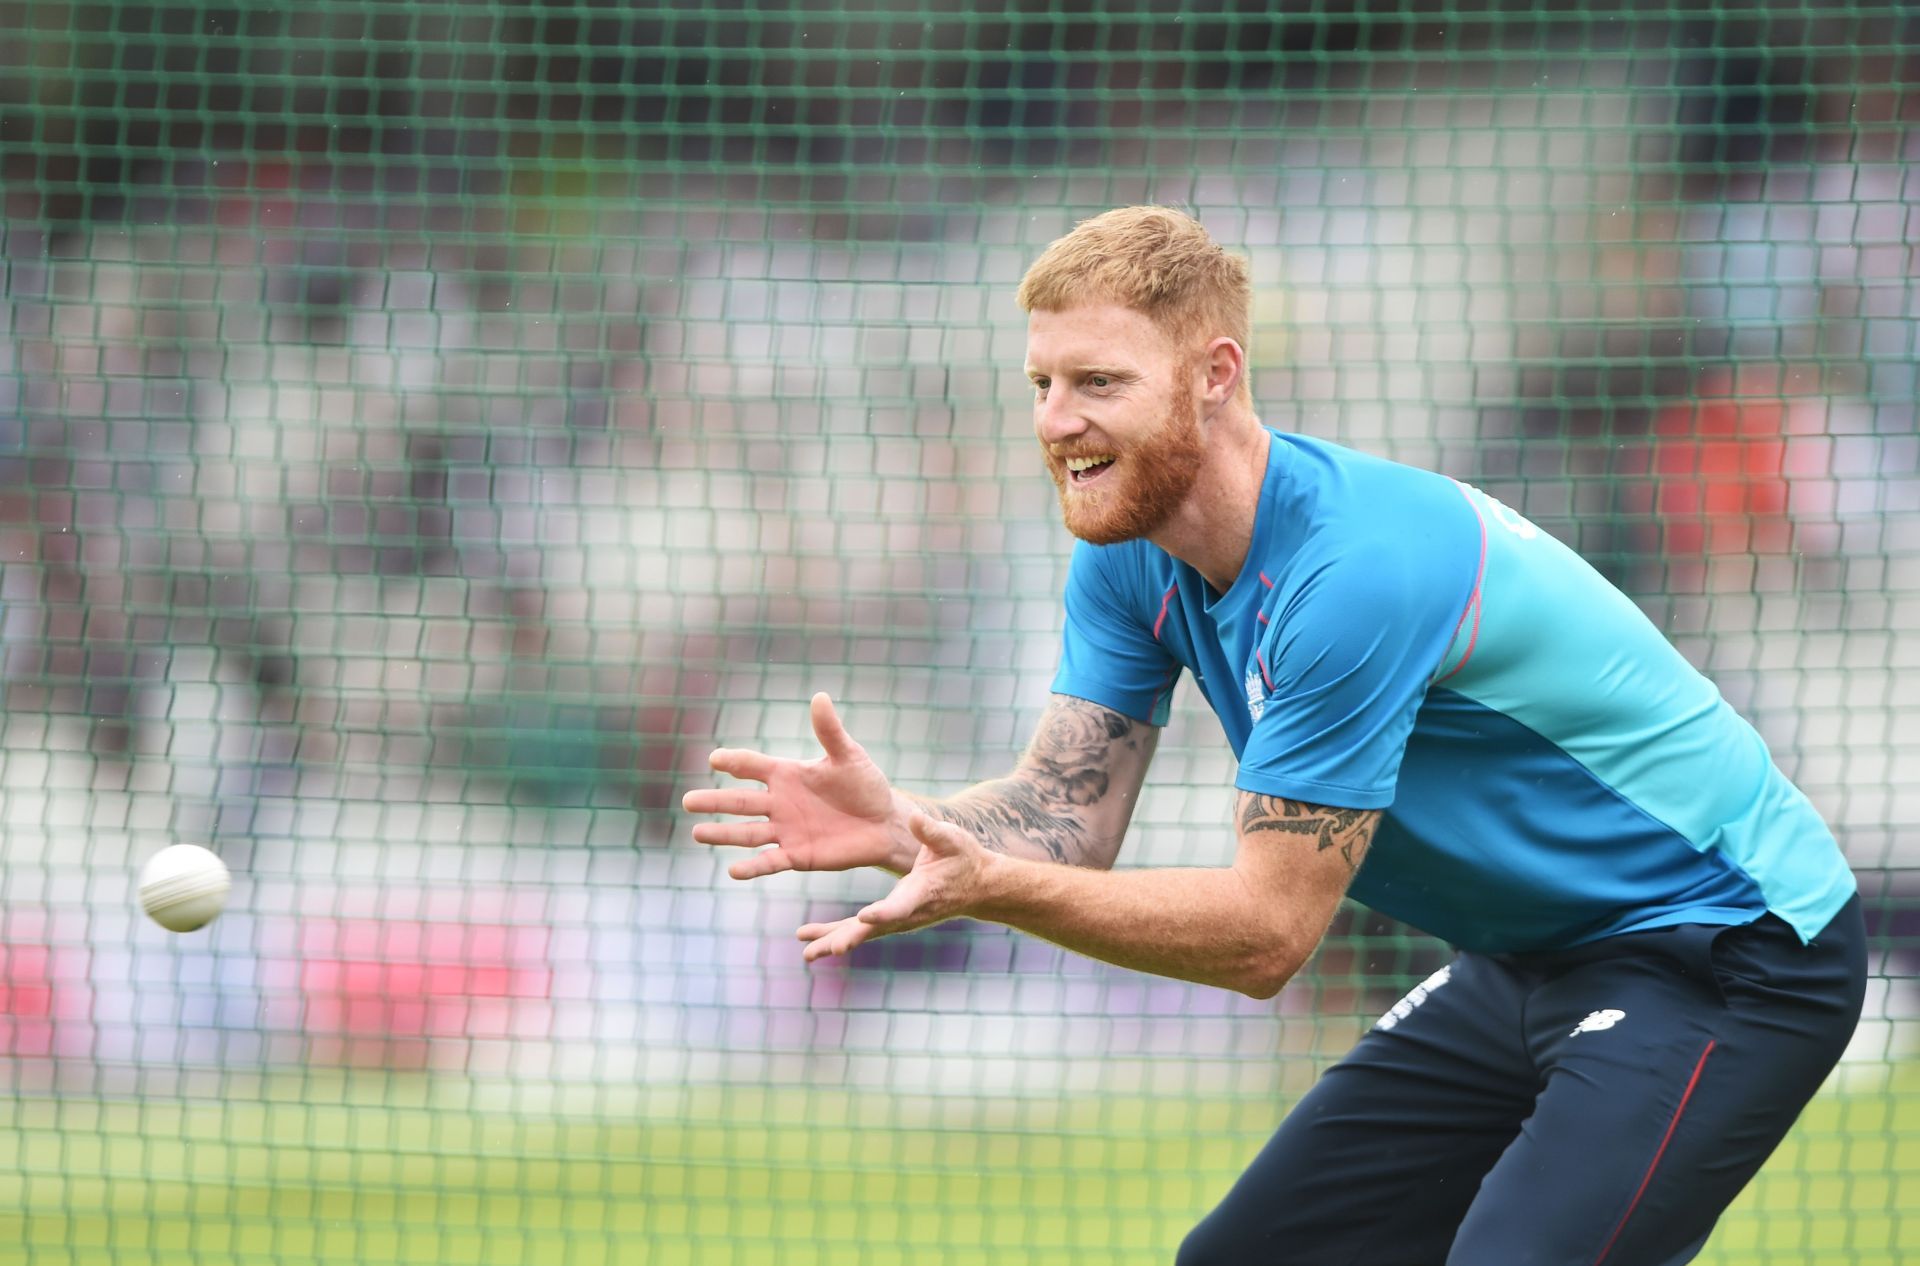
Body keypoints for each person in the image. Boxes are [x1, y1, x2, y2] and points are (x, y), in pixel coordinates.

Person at [682, 206, 1865, 1265]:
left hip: (1726, 949)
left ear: (1215, 374)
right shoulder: (1127, 552)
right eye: (1039, 384)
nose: (1056, 422)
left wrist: (984, 884)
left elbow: (1265, 939)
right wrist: (908, 827)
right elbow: (1064, 817)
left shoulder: (1354, 572)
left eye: (1096, 382)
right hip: (1532, 959)